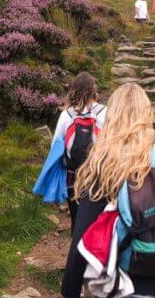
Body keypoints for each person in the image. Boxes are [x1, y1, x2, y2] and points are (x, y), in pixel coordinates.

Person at [61, 83, 155, 298]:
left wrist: (69, 291)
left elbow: (81, 242)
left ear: (111, 117)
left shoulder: (102, 165)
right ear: (148, 114)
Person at [51, 72, 107, 230]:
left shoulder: (66, 114)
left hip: (72, 177)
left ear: (74, 90)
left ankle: (76, 246)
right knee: (98, 220)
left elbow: (55, 146)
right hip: (99, 176)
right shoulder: (105, 112)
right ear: (94, 90)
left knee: (77, 221)